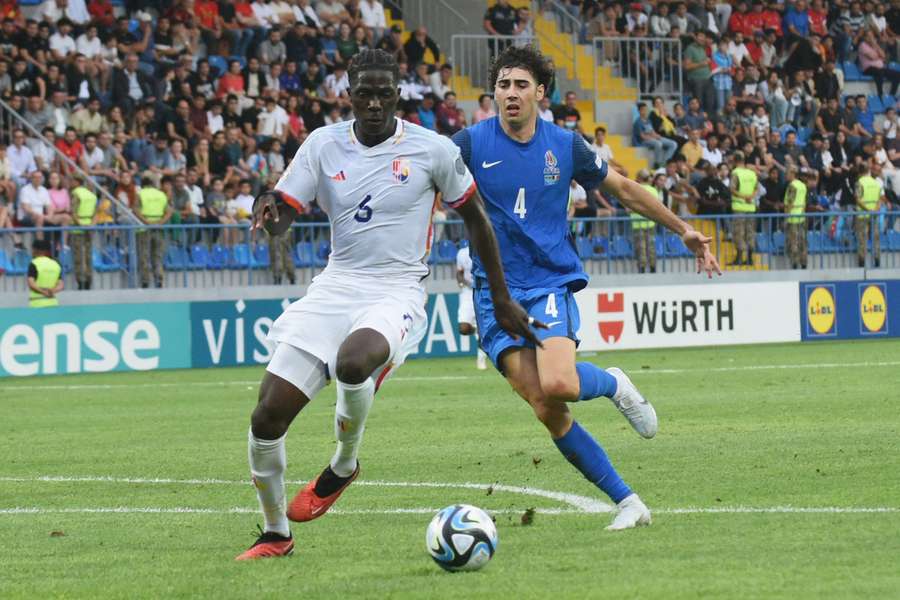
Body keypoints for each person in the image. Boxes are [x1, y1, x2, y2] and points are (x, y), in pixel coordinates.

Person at [236, 49, 536, 560]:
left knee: (354, 363)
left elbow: (478, 220)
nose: (374, 103)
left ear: (398, 95)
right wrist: (269, 207)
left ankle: (344, 464)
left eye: (384, 93)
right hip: (335, 287)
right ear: (348, 94)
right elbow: (285, 212)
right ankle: (275, 534)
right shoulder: (322, 145)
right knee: (266, 419)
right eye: (364, 94)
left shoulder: (432, 149)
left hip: (397, 288)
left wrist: (500, 296)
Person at [452, 46, 720, 531]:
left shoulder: (565, 145)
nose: (510, 93)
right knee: (545, 406)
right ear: (493, 93)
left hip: (547, 282)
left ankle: (614, 382)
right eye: (503, 85)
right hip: (495, 297)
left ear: (540, 92)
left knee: (560, 382)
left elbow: (625, 189)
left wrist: (683, 230)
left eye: (520, 85)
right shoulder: (469, 144)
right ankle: (629, 502)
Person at [135, 174, 173, 288]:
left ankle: (145, 281)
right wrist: (160, 222)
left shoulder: (140, 194)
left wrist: (146, 222)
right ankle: (159, 279)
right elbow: (169, 211)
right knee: (157, 255)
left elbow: (135, 209)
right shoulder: (161, 194)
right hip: (159, 228)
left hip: (143, 228)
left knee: (144, 255)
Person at [456, 242, 488, 371]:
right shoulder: (462, 253)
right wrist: (463, 283)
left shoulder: (485, 249)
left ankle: (481, 359)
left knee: (483, 329)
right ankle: (476, 330)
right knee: (463, 328)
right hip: (468, 292)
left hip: (484, 290)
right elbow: (459, 273)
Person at [69, 173, 98, 290]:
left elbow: (74, 212)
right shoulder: (92, 195)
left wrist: (80, 224)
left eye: (72, 181)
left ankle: (81, 282)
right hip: (90, 229)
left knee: (78, 257)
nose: (71, 183)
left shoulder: (76, 194)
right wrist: (91, 225)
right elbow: (96, 214)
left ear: (77, 182)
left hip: (78, 230)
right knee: (88, 256)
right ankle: (89, 281)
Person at [729, 150, 758, 266]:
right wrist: (750, 197)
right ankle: (750, 258)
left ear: (735, 161)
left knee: (739, 233)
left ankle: (739, 258)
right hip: (751, 207)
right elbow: (756, 188)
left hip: (739, 207)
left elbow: (732, 189)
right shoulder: (752, 173)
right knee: (750, 233)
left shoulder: (735, 173)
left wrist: (744, 197)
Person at [855, 161, 885, 268]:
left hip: (862, 215)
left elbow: (858, 199)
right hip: (874, 215)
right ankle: (877, 260)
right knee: (876, 238)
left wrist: (868, 210)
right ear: (868, 170)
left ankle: (862, 263)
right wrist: (875, 210)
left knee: (862, 239)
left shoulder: (860, 182)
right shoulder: (875, 182)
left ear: (860, 171)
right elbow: (880, 200)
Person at [631, 169, 661, 274]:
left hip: (637, 224)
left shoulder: (634, 189)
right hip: (650, 222)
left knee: (640, 248)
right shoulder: (653, 190)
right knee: (651, 247)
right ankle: (653, 268)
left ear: (639, 178)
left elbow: (628, 208)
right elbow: (656, 206)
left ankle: (642, 269)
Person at [783, 167, 808, 270]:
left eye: (787, 173)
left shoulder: (792, 186)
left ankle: (794, 263)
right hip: (801, 217)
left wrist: (785, 217)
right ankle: (804, 262)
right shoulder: (803, 185)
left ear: (793, 173)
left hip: (792, 218)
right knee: (802, 241)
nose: (786, 175)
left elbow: (790, 203)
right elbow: (804, 203)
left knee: (793, 241)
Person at [27, 238, 63, 308]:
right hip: (53, 302)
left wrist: (44, 292)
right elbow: (61, 285)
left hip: (36, 303)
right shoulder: (56, 264)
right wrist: (52, 291)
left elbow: (31, 283)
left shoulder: (34, 263)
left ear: (35, 250)